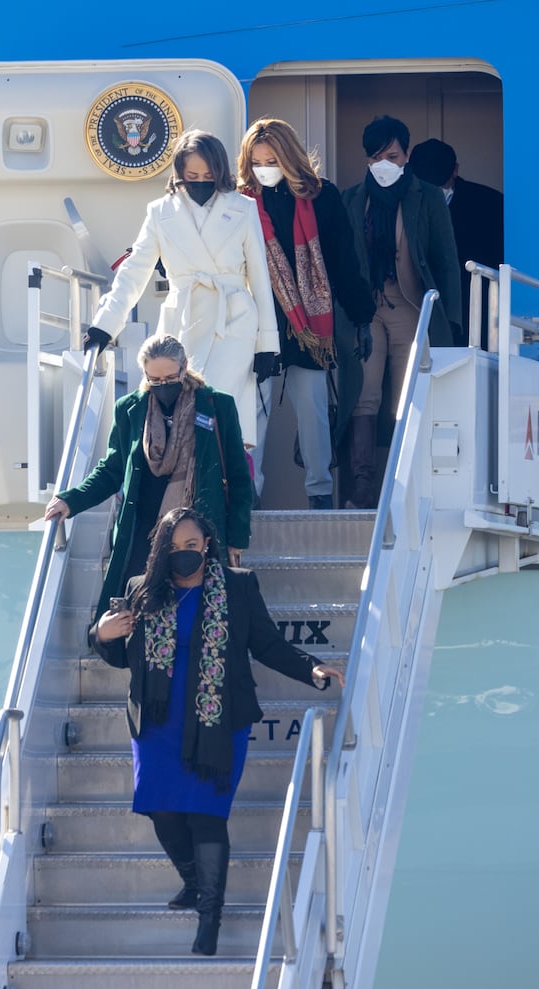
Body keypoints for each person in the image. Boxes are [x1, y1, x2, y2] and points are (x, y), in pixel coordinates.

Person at [90, 506, 345, 955]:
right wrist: (102, 633)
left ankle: (210, 918)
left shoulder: (237, 586)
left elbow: (266, 644)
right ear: (161, 551)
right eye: (173, 548)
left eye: (191, 545)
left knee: (206, 815)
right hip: (158, 723)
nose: (183, 554)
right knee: (161, 809)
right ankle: (193, 880)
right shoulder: (141, 590)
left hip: (217, 719)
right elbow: (117, 655)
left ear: (206, 544)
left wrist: (312, 668)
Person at [83, 129, 279, 452]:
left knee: (219, 408)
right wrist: (105, 325)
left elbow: (259, 277)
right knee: (182, 414)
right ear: (179, 174)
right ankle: (188, 491)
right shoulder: (160, 212)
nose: (201, 181)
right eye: (192, 175)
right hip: (183, 321)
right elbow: (134, 273)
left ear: (220, 172)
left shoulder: (243, 208)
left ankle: (226, 489)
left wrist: (267, 344)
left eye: (208, 175)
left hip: (233, 321)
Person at [44, 334, 253, 616]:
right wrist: (71, 500)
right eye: (155, 380)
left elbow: (239, 478)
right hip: (143, 530)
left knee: (199, 612)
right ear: (144, 374)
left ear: (184, 367)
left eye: (169, 378)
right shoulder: (130, 409)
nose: (163, 386)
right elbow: (112, 469)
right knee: (140, 611)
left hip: (197, 531)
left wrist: (237, 537)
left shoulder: (217, 406)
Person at [236, 117, 376, 509]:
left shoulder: (320, 196)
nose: (265, 168)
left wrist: (362, 316)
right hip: (257, 320)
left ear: (289, 156)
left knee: (313, 411)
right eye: (258, 160)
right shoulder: (239, 201)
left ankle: (319, 494)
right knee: (254, 412)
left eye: (272, 159)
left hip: (309, 325)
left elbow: (342, 261)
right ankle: (250, 496)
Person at [340, 115, 462, 509]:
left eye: (392, 155)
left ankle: (403, 487)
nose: (385, 164)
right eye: (376, 156)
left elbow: (446, 260)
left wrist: (452, 321)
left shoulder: (426, 196)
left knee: (407, 398)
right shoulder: (353, 198)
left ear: (407, 155)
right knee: (364, 395)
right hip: (366, 311)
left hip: (411, 306)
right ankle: (362, 488)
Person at [409, 137, 505, 343]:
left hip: (474, 309)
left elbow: (499, 257)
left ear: (455, 170)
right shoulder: (401, 203)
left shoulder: (489, 203)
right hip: (416, 308)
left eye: (438, 181)